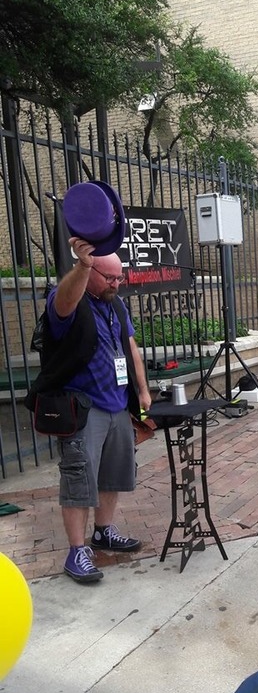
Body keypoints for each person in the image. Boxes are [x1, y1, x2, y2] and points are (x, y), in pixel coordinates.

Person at [25, 237, 151, 583]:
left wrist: (142, 389)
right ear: (90, 271)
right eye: (109, 277)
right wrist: (82, 266)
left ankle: (104, 531)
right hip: (82, 409)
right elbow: (64, 303)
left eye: (119, 277)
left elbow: (130, 347)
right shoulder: (67, 299)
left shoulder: (115, 304)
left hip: (117, 404)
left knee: (112, 475)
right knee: (79, 479)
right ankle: (76, 551)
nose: (116, 284)